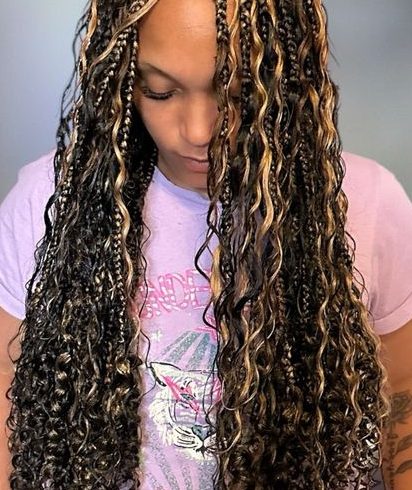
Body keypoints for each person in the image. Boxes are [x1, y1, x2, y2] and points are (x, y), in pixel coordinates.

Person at [0, 0, 411, 488]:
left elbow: (403, 392)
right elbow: (9, 384)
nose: (198, 132)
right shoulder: (50, 200)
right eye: (159, 91)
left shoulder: (367, 203)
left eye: (237, 91)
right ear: (122, 82)